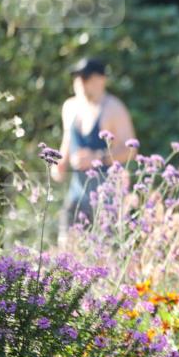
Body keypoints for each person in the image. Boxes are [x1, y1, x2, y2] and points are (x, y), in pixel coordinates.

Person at [50, 58, 136, 235]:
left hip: (107, 197)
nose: (80, 82)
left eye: (86, 77)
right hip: (77, 193)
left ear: (101, 79)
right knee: (66, 250)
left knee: (104, 254)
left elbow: (131, 150)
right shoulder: (70, 107)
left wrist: (98, 157)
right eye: (77, 77)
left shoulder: (114, 108)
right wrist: (58, 164)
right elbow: (67, 142)